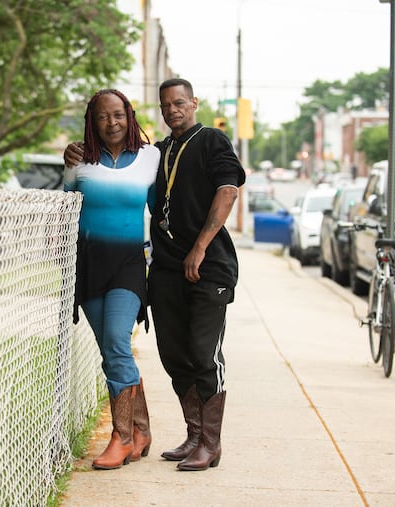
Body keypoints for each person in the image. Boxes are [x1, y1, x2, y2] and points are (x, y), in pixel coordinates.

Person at [65, 78, 245, 472]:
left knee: (201, 353)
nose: (173, 110)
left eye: (180, 103)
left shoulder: (211, 141)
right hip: (163, 268)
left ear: (194, 103)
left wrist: (200, 247)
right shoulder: (159, 152)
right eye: (166, 106)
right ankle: (191, 436)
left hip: (205, 265)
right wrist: (71, 156)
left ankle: (205, 444)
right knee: (174, 355)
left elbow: (228, 190)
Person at [63, 89, 160, 470]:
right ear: (93, 119)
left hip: (129, 267)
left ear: (129, 115)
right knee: (112, 353)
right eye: (103, 116)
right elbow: (66, 209)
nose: (112, 123)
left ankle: (120, 439)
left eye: (118, 115)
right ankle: (141, 429)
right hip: (89, 268)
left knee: (118, 342)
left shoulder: (150, 158)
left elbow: (163, 208)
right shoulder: (79, 160)